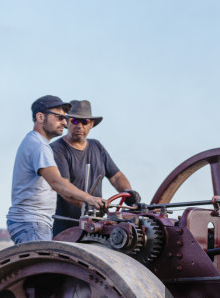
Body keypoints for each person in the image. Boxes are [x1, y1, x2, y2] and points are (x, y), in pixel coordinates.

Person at [7, 95, 108, 244]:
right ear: (40, 117)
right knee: (43, 268)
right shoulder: (39, 146)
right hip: (32, 223)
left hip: (33, 222)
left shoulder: (35, 142)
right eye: (59, 117)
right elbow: (56, 182)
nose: (64, 122)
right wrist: (90, 198)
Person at [51, 99, 139, 237]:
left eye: (84, 122)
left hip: (95, 225)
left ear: (91, 124)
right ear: (67, 122)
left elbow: (116, 177)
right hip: (66, 227)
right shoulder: (57, 150)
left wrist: (128, 192)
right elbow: (64, 188)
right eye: (75, 121)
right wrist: (89, 204)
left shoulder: (97, 147)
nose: (79, 126)